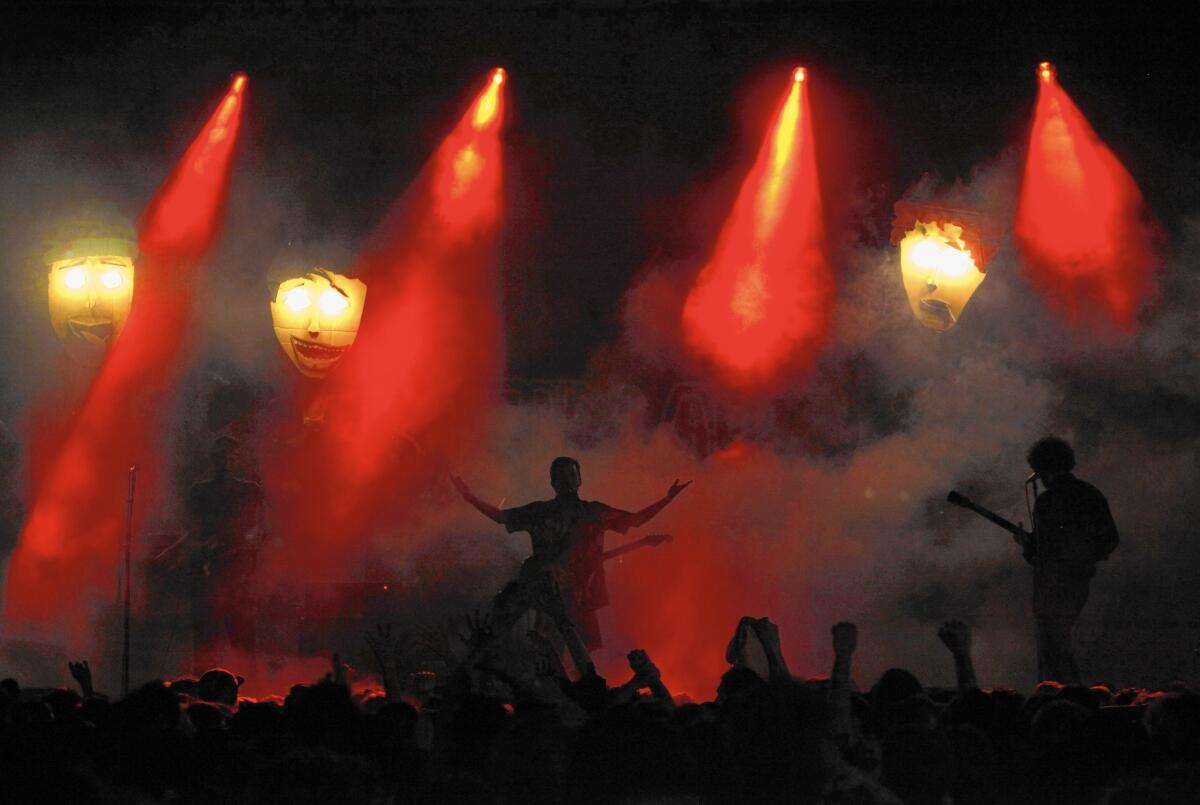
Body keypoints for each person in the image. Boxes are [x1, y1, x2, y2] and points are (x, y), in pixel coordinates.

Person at [451, 457, 689, 657]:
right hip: (550, 599)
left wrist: (667, 500)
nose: (566, 481)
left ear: (579, 480)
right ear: (553, 483)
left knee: (581, 656)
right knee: (549, 655)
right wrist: (469, 497)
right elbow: (501, 517)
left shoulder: (593, 512)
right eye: (561, 477)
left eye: (571, 476)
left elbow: (635, 520)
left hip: (580, 598)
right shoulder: (540, 512)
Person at [1016, 436, 1118, 684]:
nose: (1038, 477)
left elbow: (1108, 539)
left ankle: (1068, 695)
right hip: (1065, 583)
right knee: (1057, 644)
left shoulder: (1061, 500)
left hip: (1063, 585)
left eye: (1040, 470)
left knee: (1056, 644)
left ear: (1047, 468)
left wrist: (1076, 556)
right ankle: (1068, 693)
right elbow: (1109, 539)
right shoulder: (1078, 495)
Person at [186, 436, 264, 673]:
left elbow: (257, 530)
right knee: (206, 639)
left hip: (236, 573)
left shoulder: (249, 490)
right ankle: (206, 686)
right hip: (210, 573)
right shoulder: (199, 491)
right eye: (220, 457)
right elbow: (191, 530)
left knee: (240, 637)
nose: (224, 462)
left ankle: (246, 687)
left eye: (228, 456)